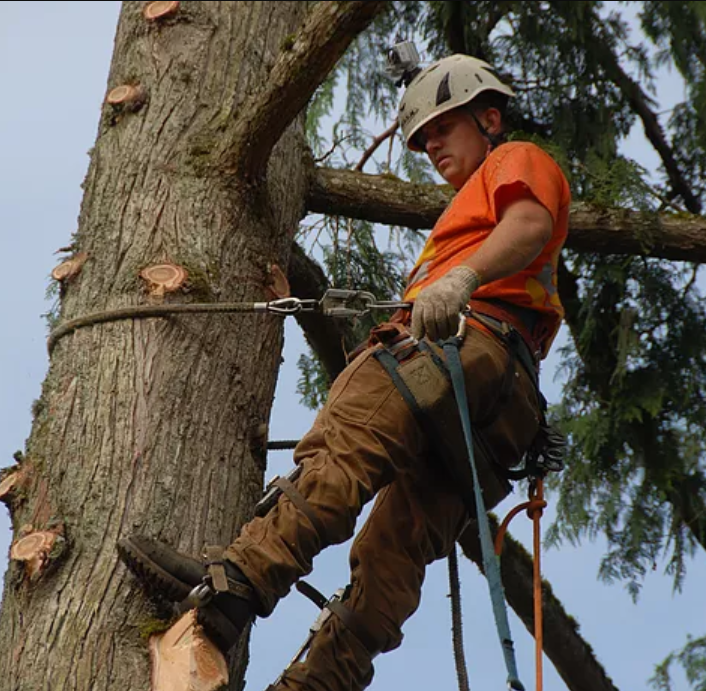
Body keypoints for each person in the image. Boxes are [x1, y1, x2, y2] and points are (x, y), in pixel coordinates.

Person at [117, 53, 571, 691]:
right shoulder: (470, 203)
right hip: (501, 417)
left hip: (468, 346)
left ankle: (235, 585)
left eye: (443, 127)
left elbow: (529, 223)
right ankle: (319, 683)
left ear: (489, 117)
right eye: (421, 139)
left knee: (345, 446)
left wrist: (462, 279)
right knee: (396, 554)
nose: (430, 145)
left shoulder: (514, 160)